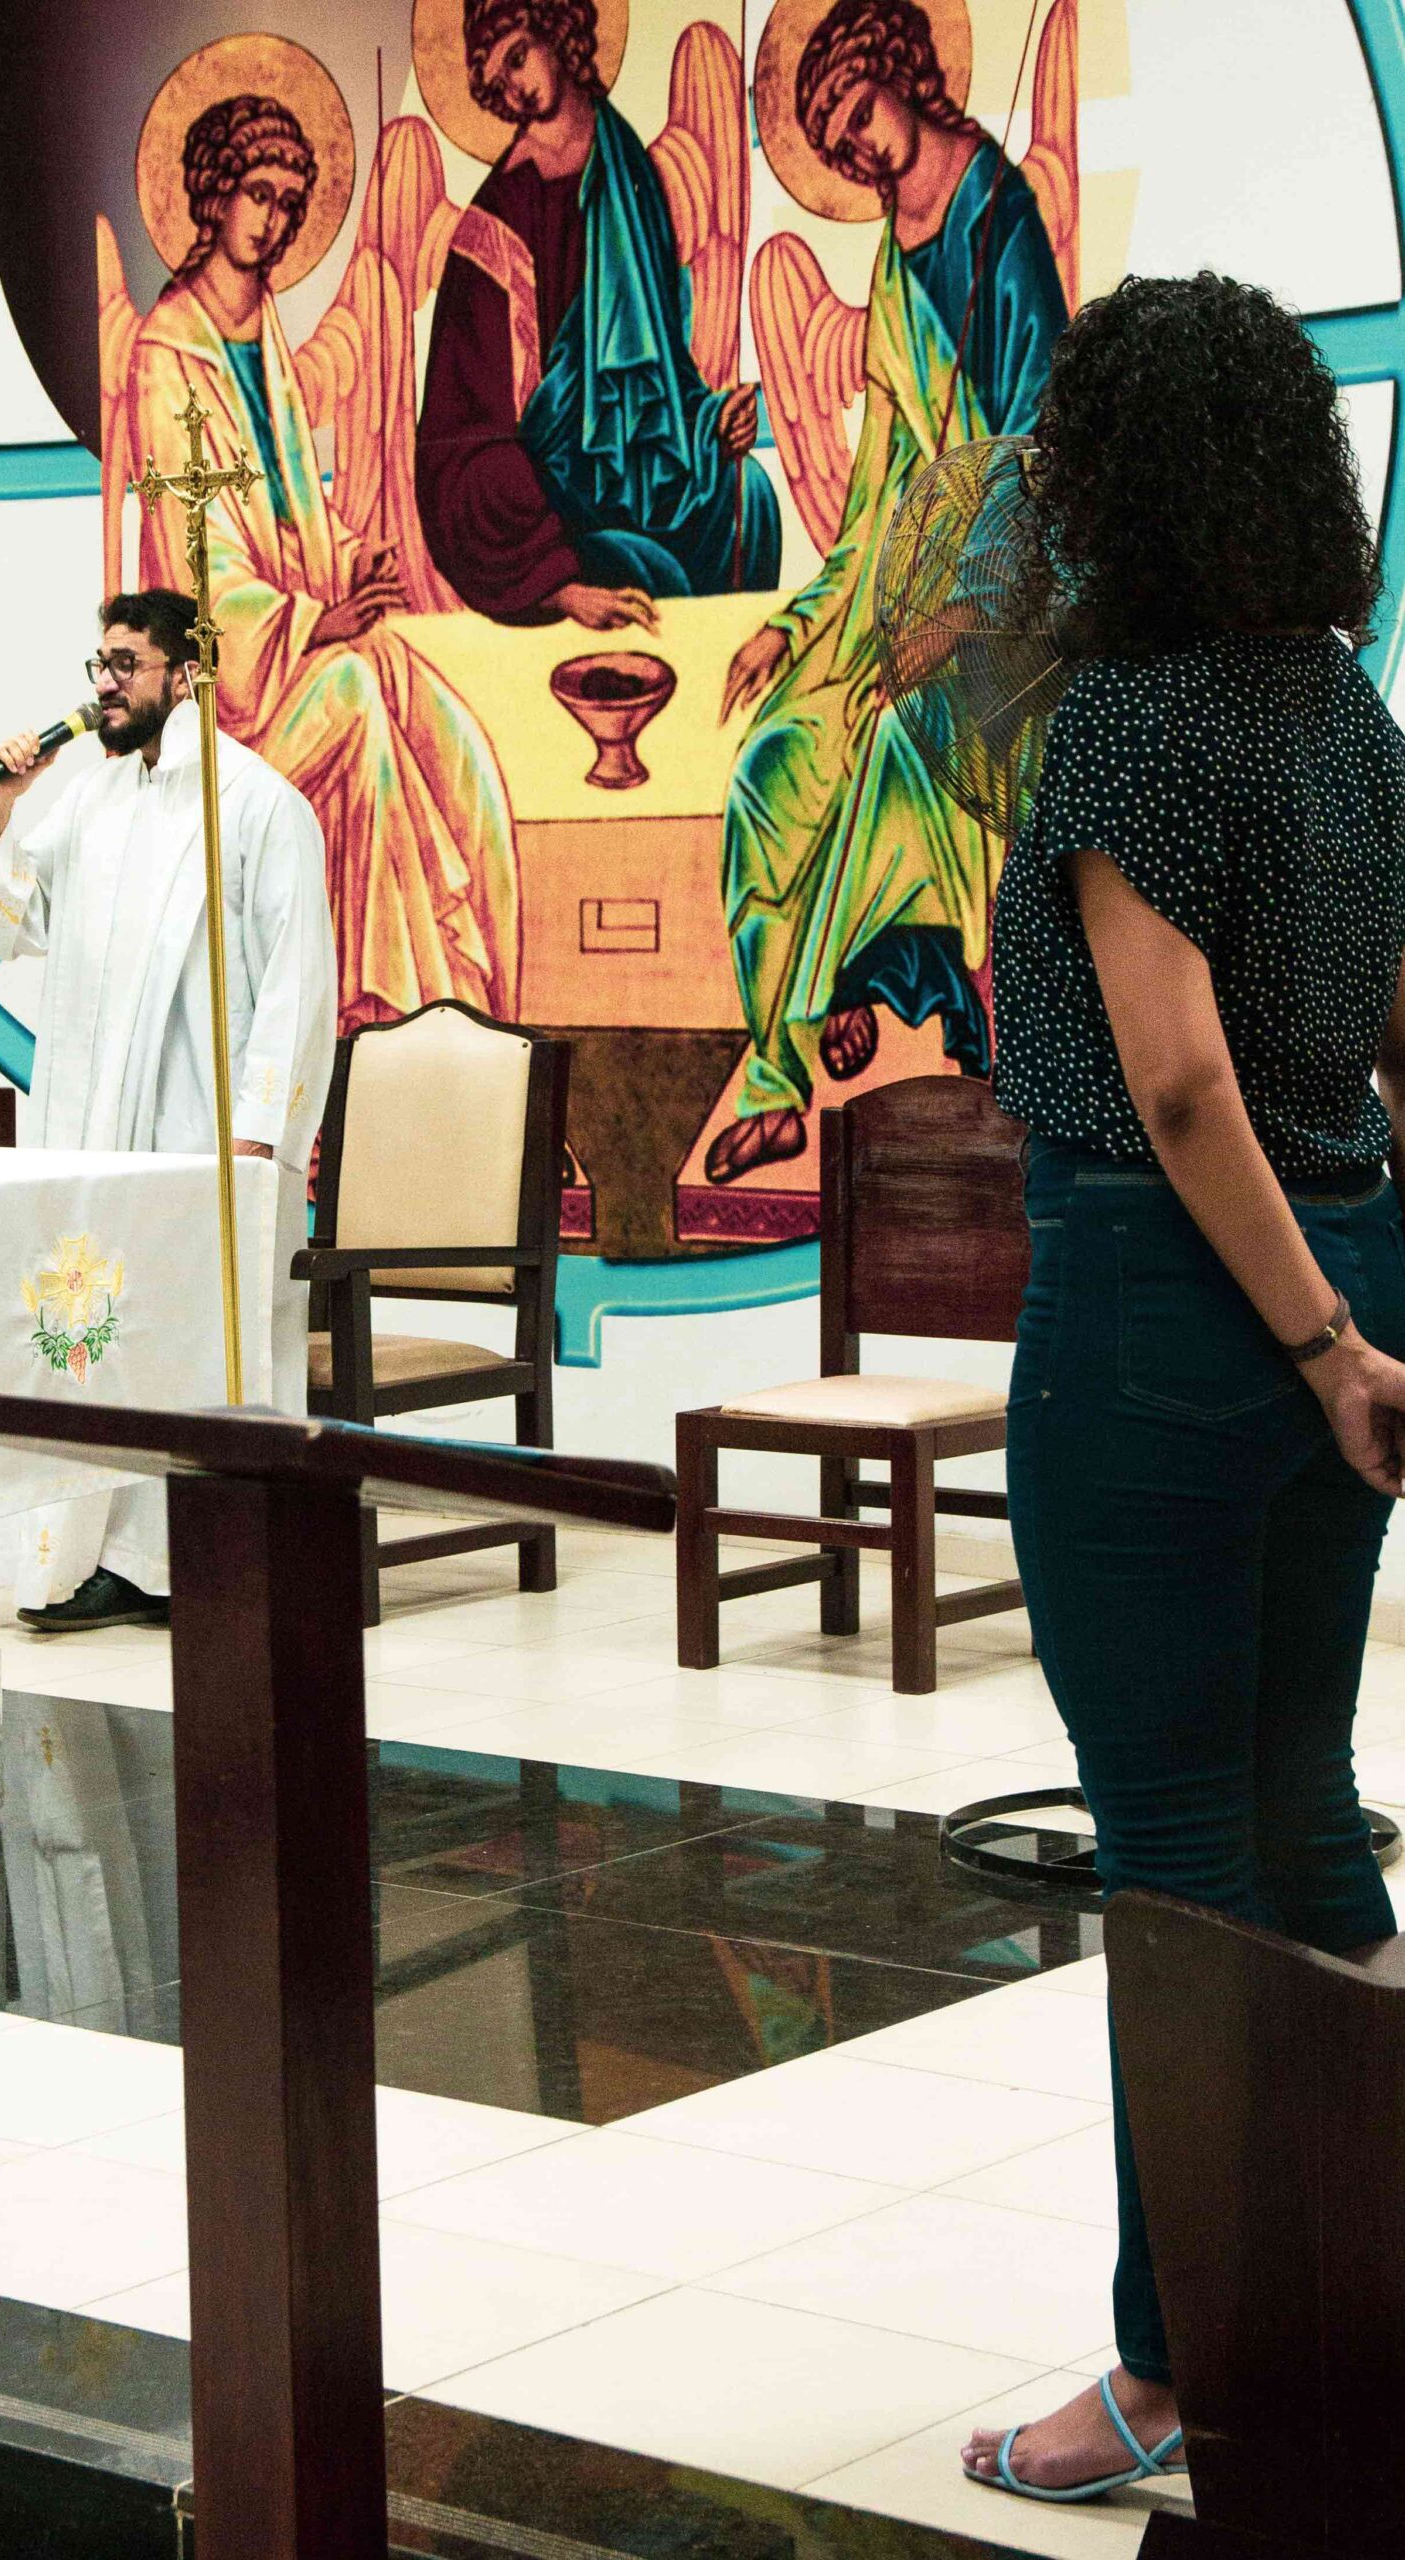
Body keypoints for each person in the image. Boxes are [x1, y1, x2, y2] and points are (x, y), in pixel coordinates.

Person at [967, 271, 1405, 2503]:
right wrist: (1363, 1320)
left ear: (1120, 472)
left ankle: (1171, 2366)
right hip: (1347, 1257)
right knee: (1304, 1802)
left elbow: (1171, 1077)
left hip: (1165, 1297)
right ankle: (1362, 2296)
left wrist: (1309, 1345)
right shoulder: (1344, 706)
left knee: (1171, 1854)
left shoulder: (1126, 721)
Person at [707, 0, 1067, 1184]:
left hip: (1017, 607)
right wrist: (793, 626)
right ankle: (797, 1048)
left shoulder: (999, 217)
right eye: (834, 138)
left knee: (899, 741)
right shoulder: (891, 259)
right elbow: (880, 499)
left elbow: (1045, 449)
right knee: (773, 768)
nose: (857, 147)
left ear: (904, 74)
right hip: (903, 593)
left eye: (859, 113)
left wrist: (962, 616)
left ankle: (831, 1012)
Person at [0, 588, 338, 1633]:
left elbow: (299, 983)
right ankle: (86, 1556)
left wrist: (259, 1136)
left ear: (186, 672)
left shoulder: (256, 804)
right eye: (101, 665)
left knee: (183, 1344)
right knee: (92, 1338)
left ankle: (193, 1562)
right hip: (91, 1131)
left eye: (126, 664)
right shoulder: (91, 800)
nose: (106, 685)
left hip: (202, 1133)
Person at [128, 91, 521, 1033]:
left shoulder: (261, 330)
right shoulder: (164, 357)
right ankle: (382, 1004)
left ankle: (475, 999)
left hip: (297, 646)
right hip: (227, 701)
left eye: (289, 202)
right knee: (352, 693)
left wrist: (351, 562)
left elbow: (292, 512)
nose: (272, 221)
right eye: (257, 194)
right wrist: (313, 622)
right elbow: (200, 574)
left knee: (446, 729)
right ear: (214, 194)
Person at [415, 0, 781, 626]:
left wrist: (709, 423)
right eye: (498, 80)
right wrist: (557, 584)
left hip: (639, 468)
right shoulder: (499, 218)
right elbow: (461, 436)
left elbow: (659, 363)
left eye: (518, 57)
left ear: (556, 30)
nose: (515, 87)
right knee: (651, 574)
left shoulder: (626, 165)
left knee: (751, 500)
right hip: (550, 495)